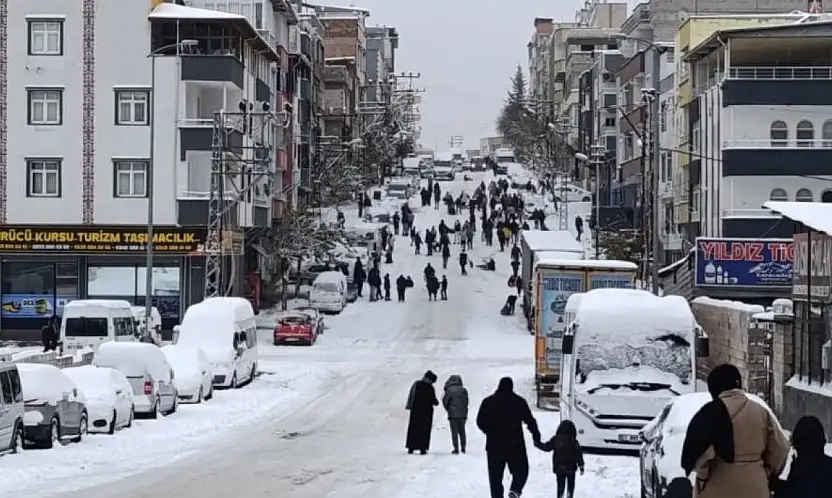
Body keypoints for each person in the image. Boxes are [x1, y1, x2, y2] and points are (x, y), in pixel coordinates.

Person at [681, 364, 789, 498]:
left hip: (719, 486)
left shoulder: (710, 413)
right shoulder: (760, 412)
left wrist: (703, 478)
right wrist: (766, 471)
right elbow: (781, 447)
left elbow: (700, 455)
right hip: (756, 487)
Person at [477, 377, 541, 498]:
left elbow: (480, 421)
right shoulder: (518, 401)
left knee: (495, 478)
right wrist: (536, 436)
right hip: (515, 444)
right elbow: (530, 420)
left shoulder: (488, 402)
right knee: (522, 470)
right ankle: (515, 490)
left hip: (494, 446)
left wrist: (489, 432)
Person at [771, 415, 832, 498]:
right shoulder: (828, 466)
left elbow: (796, 492)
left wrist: (774, 484)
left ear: (798, 446)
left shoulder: (800, 468)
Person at [535, 420, 585, 498]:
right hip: (571, 467)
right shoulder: (574, 441)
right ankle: (569, 494)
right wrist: (581, 466)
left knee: (560, 485)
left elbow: (547, 447)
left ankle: (560, 495)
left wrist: (538, 444)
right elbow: (579, 454)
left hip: (559, 467)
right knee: (571, 484)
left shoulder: (556, 439)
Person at [406, 370, 439, 455]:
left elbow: (411, 396)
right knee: (424, 430)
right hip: (426, 412)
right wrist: (436, 402)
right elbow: (433, 400)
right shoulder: (429, 388)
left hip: (415, 411)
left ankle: (411, 447)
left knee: (413, 429)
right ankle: (422, 448)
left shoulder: (416, 384)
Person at [442, 374, 469, 454]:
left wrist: (448, 409)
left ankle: (456, 448)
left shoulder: (449, 390)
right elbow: (467, 401)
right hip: (463, 413)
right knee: (462, 431)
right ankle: (463, 447)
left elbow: (445, 401)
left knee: (454, 432)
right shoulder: (463, 390)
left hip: (452, 414)